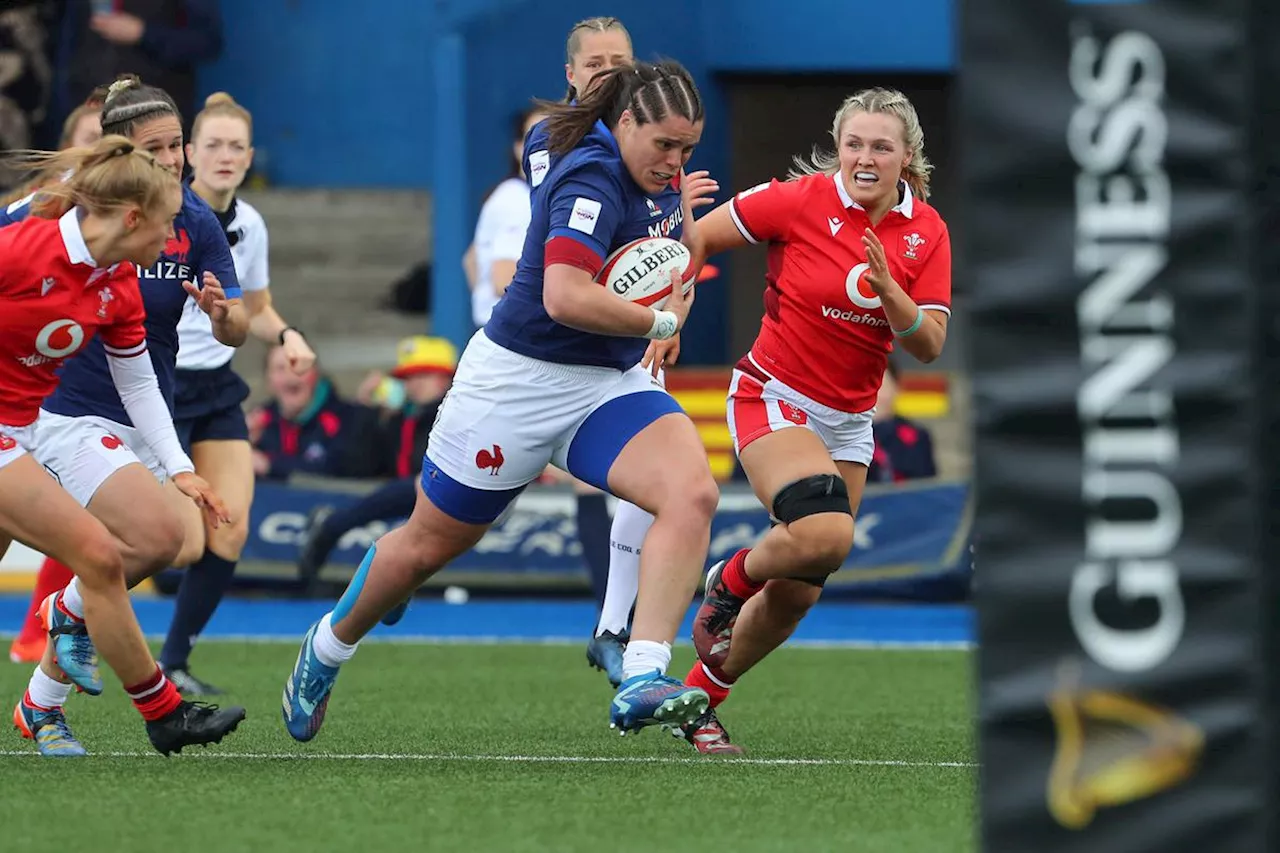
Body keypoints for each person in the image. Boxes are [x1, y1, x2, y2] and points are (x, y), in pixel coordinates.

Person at [281, 60, 722, 742]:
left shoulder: (636, 167)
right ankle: (327, 647)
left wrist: (678, 274)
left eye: (688, 148)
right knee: (427, 547)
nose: (675, 160)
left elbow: (668, 245)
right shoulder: (590, 174)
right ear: (625, 119)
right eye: (664, 144)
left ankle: (643, 672)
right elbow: (564, 296)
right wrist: (659, 322)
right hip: (517, 381)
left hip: (604, 382)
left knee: (691, 492)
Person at [658, 88, 952, 753]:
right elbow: (700, 238)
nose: (865, 157)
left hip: (848, 420)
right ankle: (728, 581)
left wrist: (891, 293)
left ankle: (698, 699)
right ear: (838, 146)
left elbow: (929, 342)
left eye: (881, 146)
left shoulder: (926, 231)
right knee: (823, 528)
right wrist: (668, 311)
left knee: (801, 587)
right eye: (854, 144)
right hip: (773, 394)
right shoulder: (800, 199)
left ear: (907, 156)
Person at [3, 76, 248, 735]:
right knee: (103, 556)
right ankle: (158, 712)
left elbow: (138, 380)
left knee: (142, 542)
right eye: (167, 223)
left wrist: (179, 470)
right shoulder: (27, 241)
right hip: (47, 424)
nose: (177, 236)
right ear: (134, 212)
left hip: (29, 430)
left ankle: (65, 701)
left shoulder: (117, 287)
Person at [155, 91, 316, 695]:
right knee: (177, 541)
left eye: (236, 147)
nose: (225, 156)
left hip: (217, 387)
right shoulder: (164, 214)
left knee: (230, 529)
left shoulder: (250, 224)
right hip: (159, 388)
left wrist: (289, 335)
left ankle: (173, 661)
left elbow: (257, 309)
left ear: (250, 158)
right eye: (213, 145)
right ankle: (74, 615)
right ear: (189, 152)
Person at [295, 336, 456, 591]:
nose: (413, 385)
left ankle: (332, 525)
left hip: (450, 500)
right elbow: (356, 466)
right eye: (407, 378)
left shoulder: (455, 416)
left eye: (423, 375)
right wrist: (367, 411)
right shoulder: (400, 420)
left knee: (425, 482)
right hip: (418, 511)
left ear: (446, 378)